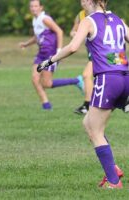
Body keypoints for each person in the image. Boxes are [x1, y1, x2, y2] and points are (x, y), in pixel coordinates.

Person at [37, 0, 129, 188]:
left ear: (91, 1)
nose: (81, 2)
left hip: (107, 79)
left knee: (95, 130)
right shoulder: (118, 20)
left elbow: (72, 47)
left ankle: (113, 181)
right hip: (124, 77)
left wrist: (49, 61)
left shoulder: (89, 21)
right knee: (89, 124)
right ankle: (113, 169)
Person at [19, 0, 84, 110]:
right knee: (35, 79)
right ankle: (46, 105)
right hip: (41, 54)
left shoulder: (45, 19)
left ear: (41, 7)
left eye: (36, 6)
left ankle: (76, 80)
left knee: (46, 83)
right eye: (31, 6)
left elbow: (59, 31)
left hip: (51, 54)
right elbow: (37, 37)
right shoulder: (35, 20)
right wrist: (26, 44)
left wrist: (59, 51)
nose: (33, 8)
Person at [70, 9, 94, 115]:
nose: (84, 2)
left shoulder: (101, 14)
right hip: (94, 52)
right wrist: (76, 34)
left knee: (86, 75)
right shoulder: (80, 15)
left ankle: (88, 105)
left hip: (102, 53)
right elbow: (72, 31)